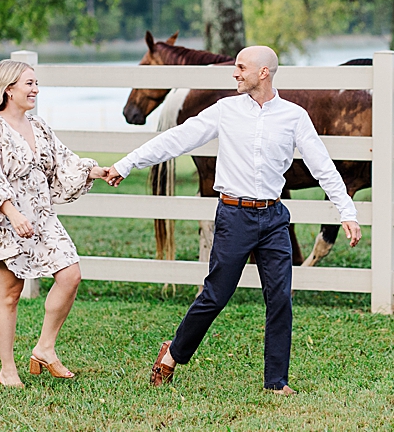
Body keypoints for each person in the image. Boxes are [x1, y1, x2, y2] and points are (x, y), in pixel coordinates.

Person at [104, 45, 361, 395]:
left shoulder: (294, 116)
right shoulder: (225, 110)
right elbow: (176, 140)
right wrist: (126, 163)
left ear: (264, 73)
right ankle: (173, 352)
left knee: (280, 298)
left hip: (273, 219)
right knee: (215, 295)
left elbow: (322, 166)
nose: (235, 73)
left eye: (242, 67)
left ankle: (276, 381)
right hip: (234, 217)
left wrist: (346, 211)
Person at [0, 60, 109, 388]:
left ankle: (45, 348)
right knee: (10, 293)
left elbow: (63, 160)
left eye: (36, 83)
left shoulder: (39, 125)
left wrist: (94, 170)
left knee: (70, 275)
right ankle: (7, 369)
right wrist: (12, 214)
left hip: (41, 217)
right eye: (28, 83)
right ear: (8, 89)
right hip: (3, 221)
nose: (35, 89)